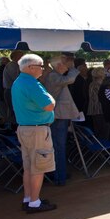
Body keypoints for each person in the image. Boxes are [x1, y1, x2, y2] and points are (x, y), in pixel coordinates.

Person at [11, 54, 57, 213]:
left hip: (26, 128)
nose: (43, 69)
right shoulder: (31, 83)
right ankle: (34, 202)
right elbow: (49, 105)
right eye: (41, 66)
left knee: (29, 166)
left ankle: (29, 198)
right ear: (30, 67)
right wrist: (52, 98)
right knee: (39, 166)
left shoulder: (19, 82)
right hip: (37, 129)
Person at [43, 55, 80, 186]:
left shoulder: (54, 76)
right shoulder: (53, 76)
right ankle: (60, 176)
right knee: (59, 146)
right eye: (65, 64)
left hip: (58, 116)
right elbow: (70, 79)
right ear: (59, 65)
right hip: (58, 117)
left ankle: (58, 173)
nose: (67, 66)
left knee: (58, 146)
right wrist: (74, 69)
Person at [86, 67, 108, 139]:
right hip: (99, 109)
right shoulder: (98, 85)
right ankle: (102, 147)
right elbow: (101, 98)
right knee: (102, 130)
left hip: (94, 109)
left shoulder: (93, 83)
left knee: (98, 129)